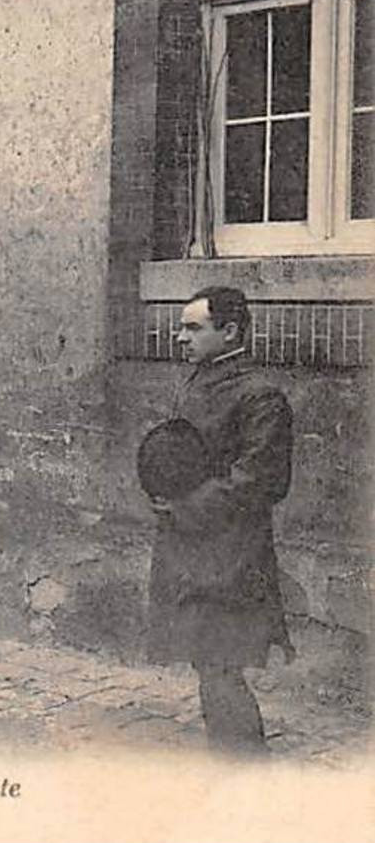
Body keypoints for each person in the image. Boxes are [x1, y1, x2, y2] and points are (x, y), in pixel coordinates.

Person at [147, 285, 294, 755]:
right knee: (208, 662)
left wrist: (186, 507)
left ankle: (245, 773)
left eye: (193, 328)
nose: (180, 338)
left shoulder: (260, 395)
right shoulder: (197, 380)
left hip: (233, 554)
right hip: (191, 548)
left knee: (220, 664)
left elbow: (261, 480)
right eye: (182, 328)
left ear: (230, 331)